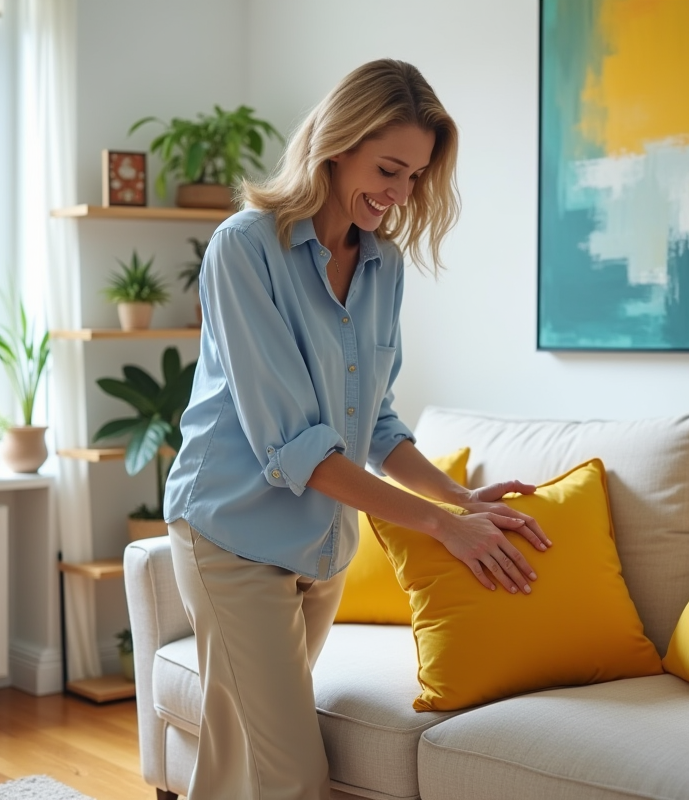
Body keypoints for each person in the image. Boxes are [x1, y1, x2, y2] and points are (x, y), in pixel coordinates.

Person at [163, 59, 551, 800]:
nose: (400, 193)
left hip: (322, 548)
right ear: (337, 144)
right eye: (389, 169)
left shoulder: (384, 264)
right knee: (291, 778)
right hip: (233, 535)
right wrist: (441, 526)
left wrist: (461, 500)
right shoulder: (245, 248)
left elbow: (375, 420)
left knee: (237, 761)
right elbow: (294, 445)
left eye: (415, 177)